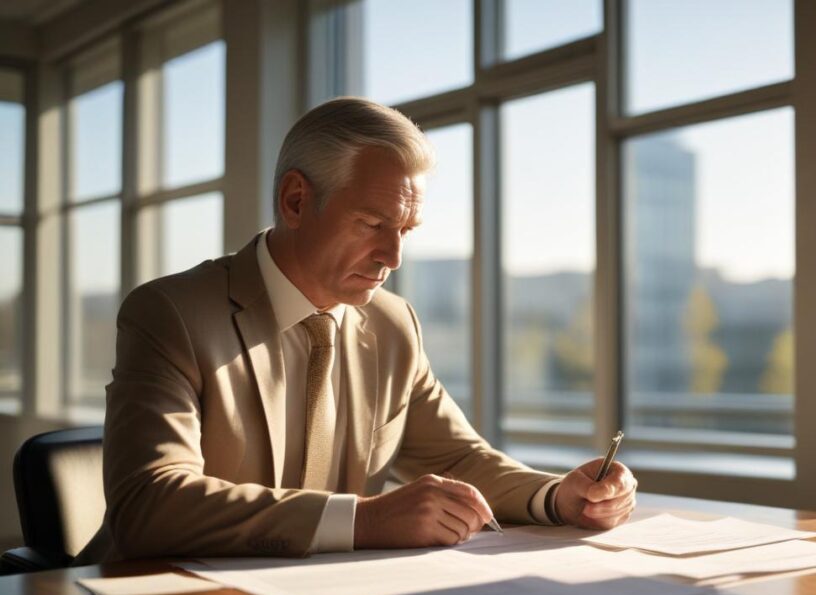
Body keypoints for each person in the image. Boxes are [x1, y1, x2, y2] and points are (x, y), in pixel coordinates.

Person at [77, 98, 636, 563]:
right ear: (296, 201)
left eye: (405, 230)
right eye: (372, 223)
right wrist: (364, 519)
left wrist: (556, 496)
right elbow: (150, 503)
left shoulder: (394, 325)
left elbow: (458, 460)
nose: (393, 255)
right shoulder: (169, 313)